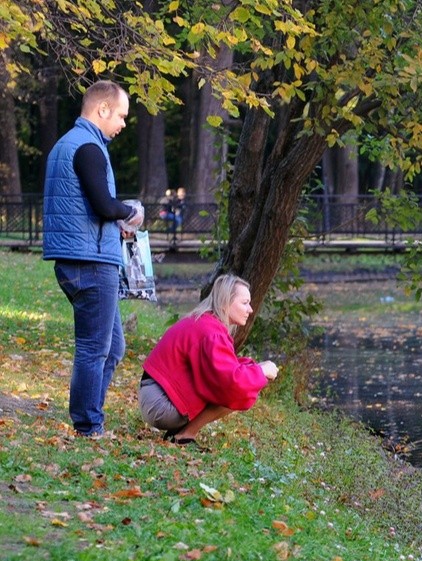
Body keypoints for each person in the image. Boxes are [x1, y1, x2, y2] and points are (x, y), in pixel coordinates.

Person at [43, 79, 145, 437]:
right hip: (89, 261)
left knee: (113, 346)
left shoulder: (66, 144)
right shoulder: (88, 146)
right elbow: (103, 205)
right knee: (93, 347)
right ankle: (88, 426)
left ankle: (91, 415)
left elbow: (83, 205)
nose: (122, 124)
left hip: (77, 257)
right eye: (121, 115)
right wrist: (130, 211)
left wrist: (115, 220)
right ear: (102, 109)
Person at [138, 274, 279, 445]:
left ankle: (181, 432)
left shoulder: (206, 323)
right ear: (226, 302)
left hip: (154, 398)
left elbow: (226, 368)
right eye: (244, 303)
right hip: (160, 405)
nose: (250, 309)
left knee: (241, 381)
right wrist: (261, 371)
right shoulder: (212, 332)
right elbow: (233, 382)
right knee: (236, 389)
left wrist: (254, 369)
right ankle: (184, 435)